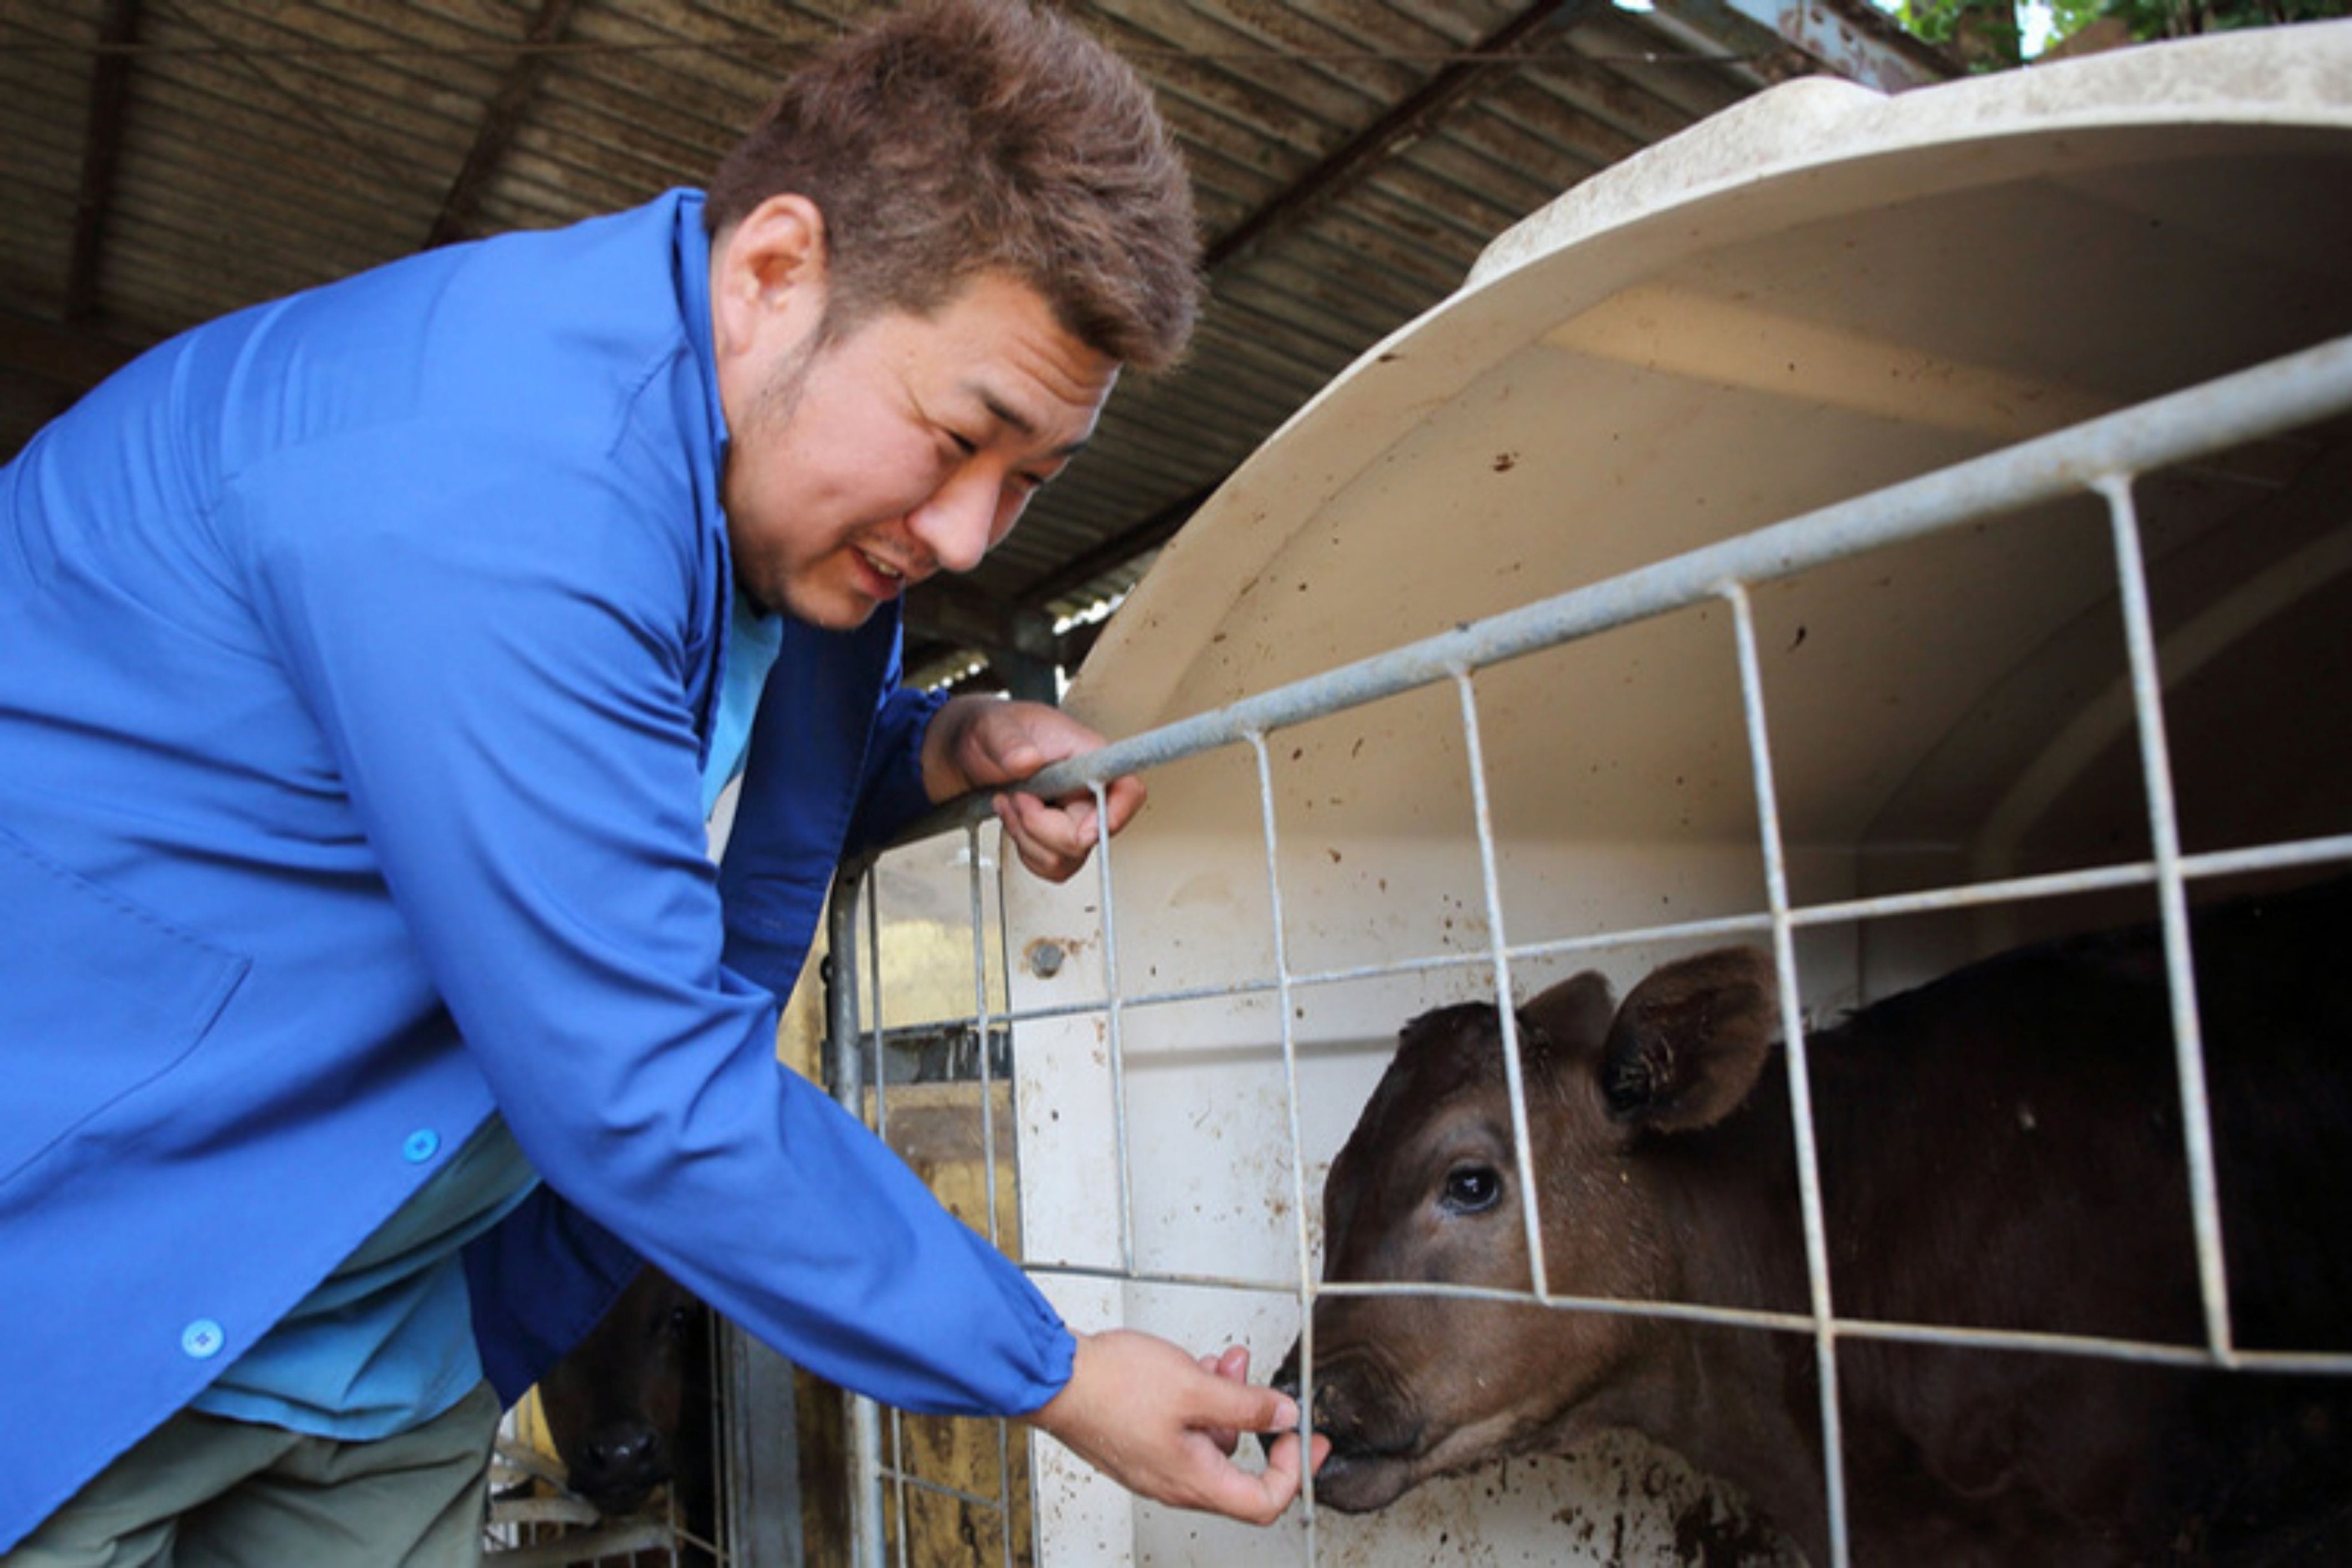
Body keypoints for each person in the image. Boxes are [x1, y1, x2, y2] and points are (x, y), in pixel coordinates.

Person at [0, 0, 1324, 1559]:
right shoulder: (493, 480)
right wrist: (1050, 1368)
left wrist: (939, 747)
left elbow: (646, 765)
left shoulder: (766, 497)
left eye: (1027, 479)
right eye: (960, 436)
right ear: (774, 273)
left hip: (377, 1340)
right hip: (88, 1289)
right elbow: (638, 1077)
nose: (969, 537)